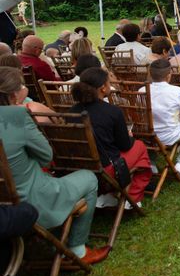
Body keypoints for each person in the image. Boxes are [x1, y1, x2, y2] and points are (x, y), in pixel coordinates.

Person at [0, 68, 108, 264]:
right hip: (30, 199)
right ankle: (78, 247)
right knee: (89, 178)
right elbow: (46, 156)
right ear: (14, 94)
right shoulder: (17, 116)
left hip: (3, 205)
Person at [70, 68, 152, 209]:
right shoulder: (112, 112)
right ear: (103, 88)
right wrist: (129, 137)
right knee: (140, 147)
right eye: (109, 83)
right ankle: (132, 197)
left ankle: (107, 196)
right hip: (106, 170)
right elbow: (125, 146)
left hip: (79, 168)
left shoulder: (71, 111)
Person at [143, 60, 180, 182]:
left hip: (146, 136)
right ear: (169, 75)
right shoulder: (176, 91)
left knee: (153, 134)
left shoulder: (142, 90)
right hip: (169, 136)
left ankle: (151, 163)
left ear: (151, 74)